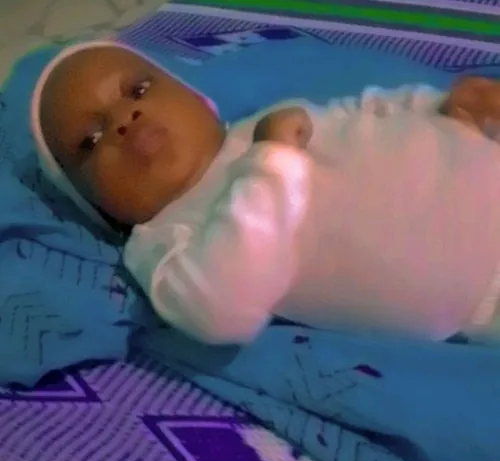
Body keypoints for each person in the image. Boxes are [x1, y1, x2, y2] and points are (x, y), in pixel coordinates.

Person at [31, 40, 500, 345]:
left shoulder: (266, 119)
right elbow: (220, 310)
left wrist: (442, 105)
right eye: (90, 140)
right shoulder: (162, 240)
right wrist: (271, 165)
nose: (123, 119)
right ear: (95, 205)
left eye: (137, 89)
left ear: (195, 96)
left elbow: (369, 109)